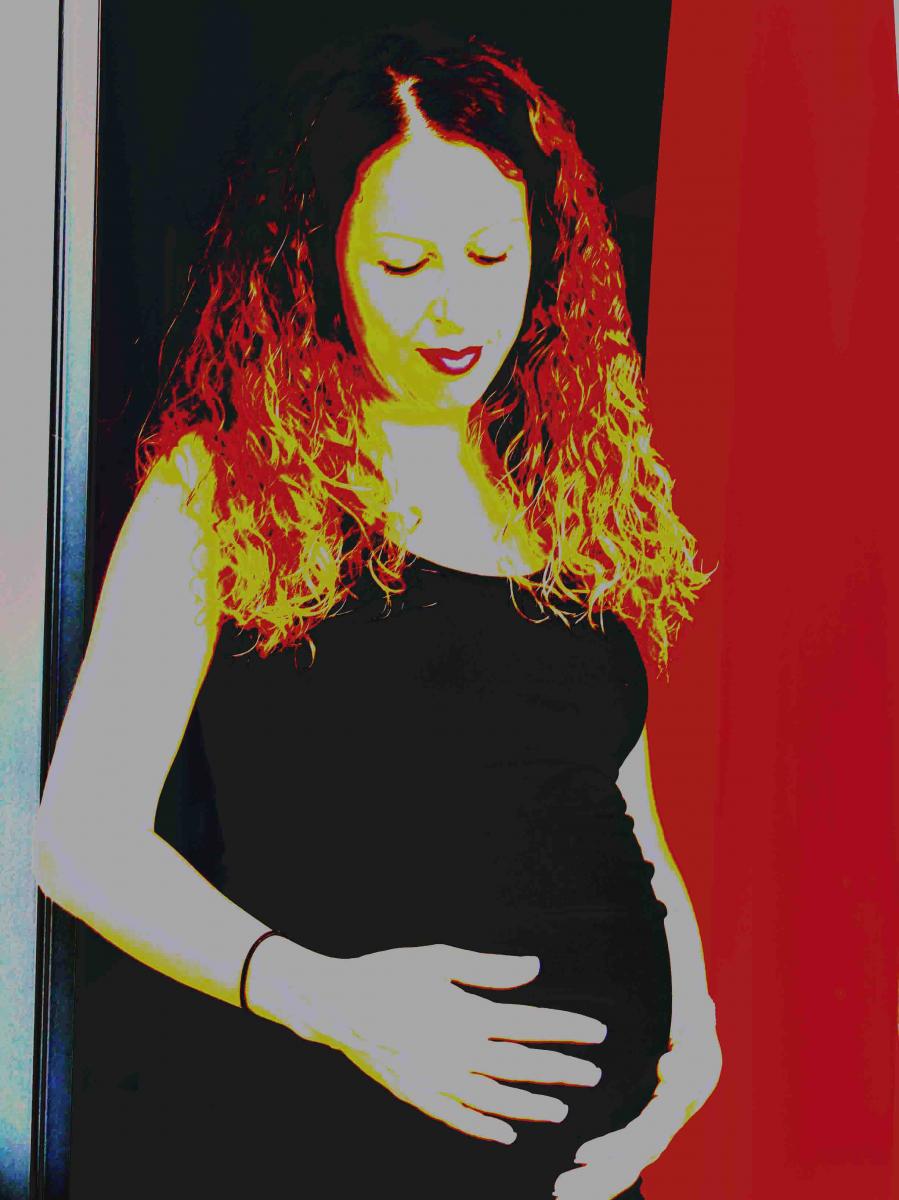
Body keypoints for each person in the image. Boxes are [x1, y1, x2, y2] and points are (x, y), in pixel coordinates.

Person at [33, 27, 721, 1200]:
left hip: (591, 1174)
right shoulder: (226, 486)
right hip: (335, 1143)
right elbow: (79, 841)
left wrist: (689, 1038)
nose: (455, 305)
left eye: (492, 253)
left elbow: (623, 815)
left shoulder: (565, 482)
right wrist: (328, 1000)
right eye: (403, 263)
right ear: (319, 259)